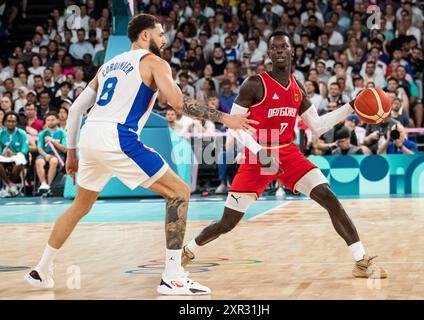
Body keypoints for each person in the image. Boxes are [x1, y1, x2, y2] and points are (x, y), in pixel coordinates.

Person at [24, 14, 256, 296]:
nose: (164, 39)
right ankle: (172, 276)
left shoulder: (108, 66)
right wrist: (225, 118)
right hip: (118, 137)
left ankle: (41, 269)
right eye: (160, 34)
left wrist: (72, 152)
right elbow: (179, 103)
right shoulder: (154, 62)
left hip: (89, 136)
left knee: (80, 207)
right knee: (179, 192)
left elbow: (75, 110)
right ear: (145, 36)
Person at [182, 31, 387, 282]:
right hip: (258, 154)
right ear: (269, 54)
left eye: (284, 47)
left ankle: (361, 261)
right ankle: (189, 249)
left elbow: (318, 126)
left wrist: (350, 106)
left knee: (328, 196)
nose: (279, 51)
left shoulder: (297, 88)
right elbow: (234, 125)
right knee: (228, 222)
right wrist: (260, 152)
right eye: (275, 48)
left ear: (292, 52)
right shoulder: (254, 84)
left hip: (288, 152)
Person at [35, 112, 67, 195]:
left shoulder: (62, 133)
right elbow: (39, 148)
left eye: (52, 120)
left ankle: (49, 187)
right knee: (39, 162)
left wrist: (53, 141)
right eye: (48, 120)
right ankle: (43, 184)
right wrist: (45, 155)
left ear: (57, 120)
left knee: (54, 161)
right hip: (44, 154)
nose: (50, 122)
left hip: (58, 155)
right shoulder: (42, 133)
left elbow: (64, 149)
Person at [0, 112, 28, 197]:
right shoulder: (1, 133)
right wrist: (3, 153)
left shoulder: (22, 133)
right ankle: (11, 185)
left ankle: (8, 185)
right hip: (4, 157)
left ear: (16, 123)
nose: (11, 123)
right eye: (8, 121)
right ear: (4, 122)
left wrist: (14, 153)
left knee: (20, 161)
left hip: (17, 155)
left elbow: (24, 149)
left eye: (13, 121)